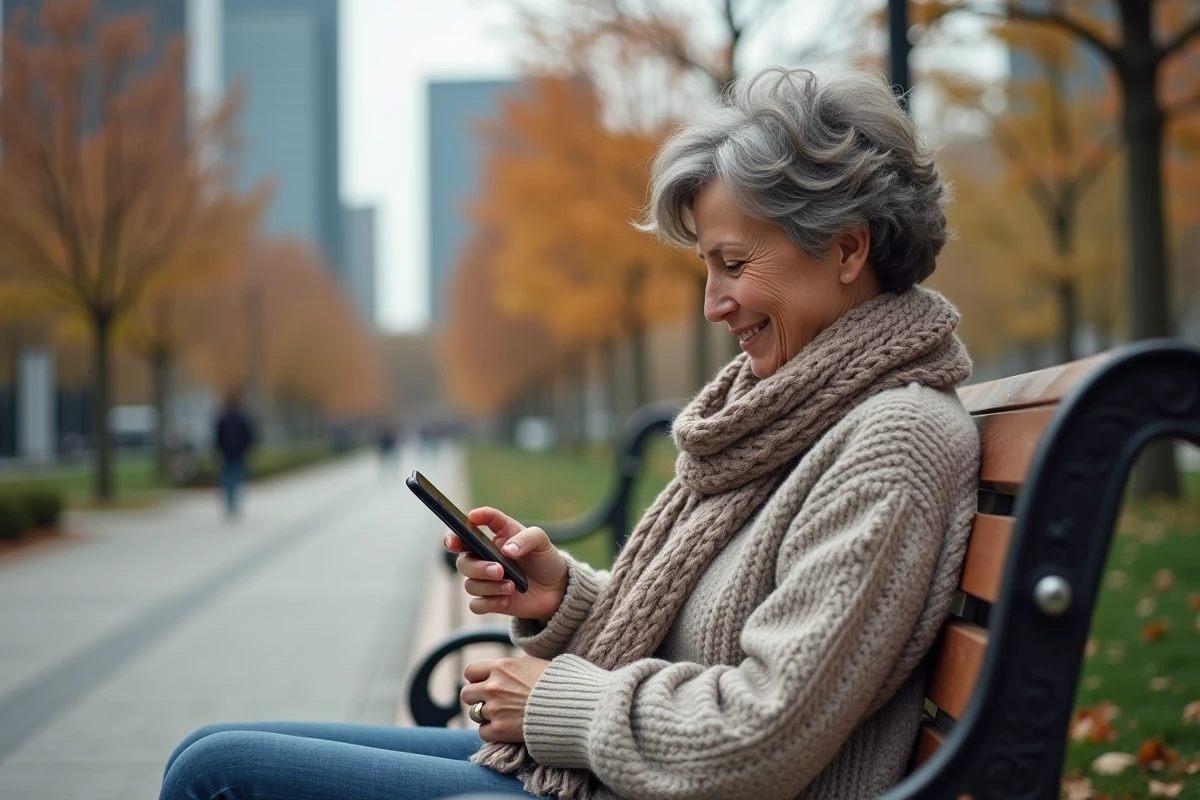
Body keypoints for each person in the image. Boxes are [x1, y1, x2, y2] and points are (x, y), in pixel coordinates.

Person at [160, 67, 980, 800]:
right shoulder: (796, 412)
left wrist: (554, 700)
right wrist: (564, 598)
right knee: (205, 751)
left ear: (846, 249)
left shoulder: (890, 441)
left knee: (216, 776)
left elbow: (760, 737)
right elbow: (712, 642)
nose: (712, 304)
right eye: (707, 269)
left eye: (733, 264)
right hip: (620, 779)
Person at [213, 393, 256, 519]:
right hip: (238, 453)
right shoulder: (242, 418)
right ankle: (233, 503)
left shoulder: (223, 419)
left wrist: (218, 450)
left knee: (228, 479)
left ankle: (230, 503)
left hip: (227, 454)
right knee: (237, 479)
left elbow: (217, 438)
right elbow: (249, 436)